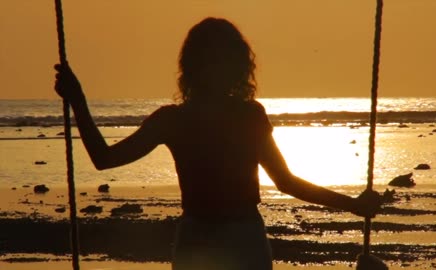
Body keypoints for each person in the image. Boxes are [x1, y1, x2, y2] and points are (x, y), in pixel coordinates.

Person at [55, 17, 382, 270]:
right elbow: (105, 159)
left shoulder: (236, 116)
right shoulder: (184, 119)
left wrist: (352, 205)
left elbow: (285, 181)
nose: (222, 69)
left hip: (230, 240)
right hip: (214, 240)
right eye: (216, 60)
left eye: (226, 60)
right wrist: (78, 102)